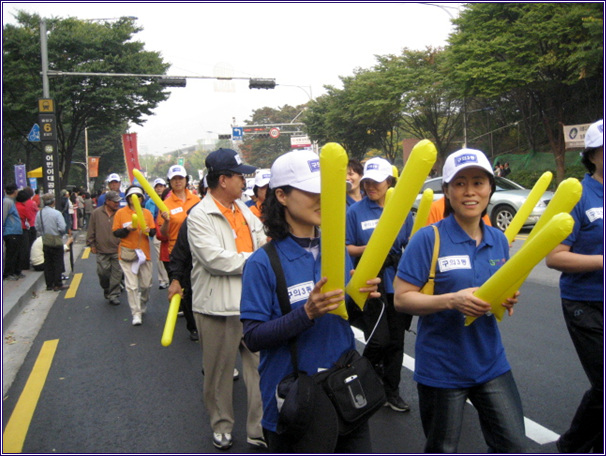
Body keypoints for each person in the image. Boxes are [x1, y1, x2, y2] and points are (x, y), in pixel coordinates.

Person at [240, 150, 382, 453]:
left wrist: (361, 300)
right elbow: (252, 337)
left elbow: (345, 319)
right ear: (281, 195)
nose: (322, 198)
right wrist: (306, 313)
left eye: (325, 190)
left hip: (345, 391)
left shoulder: (336, 251)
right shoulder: (262, 263)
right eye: (310, 190)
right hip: (295, 402)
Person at [393, 148, 526, 453]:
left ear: (490, 188)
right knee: (443, 448)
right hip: (443, 368)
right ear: (447, 191)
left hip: (491, 362)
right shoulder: (428, 238)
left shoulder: (498, 241)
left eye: (478, 182)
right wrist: (451, 301)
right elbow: (402, 299)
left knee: (514, 445)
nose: (470, 192)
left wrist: (505, 299)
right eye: (460, 183)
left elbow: (494, 290)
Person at [186, 148, 265, 450]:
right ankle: (221, 424)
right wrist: (256, 260)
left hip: (252, 303)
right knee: (218, 375)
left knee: (260, 368)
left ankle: (258, 428)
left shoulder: (244, 210)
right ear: (223, 179)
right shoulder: (200, 215)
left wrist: (258, 256)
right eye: (239, 175)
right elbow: (214, 260)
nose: (245, 181)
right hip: (217, 308)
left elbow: (262, 240)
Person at [546, 119, 603, 453]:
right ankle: (572, 445)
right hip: (585, 303)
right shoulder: (578, 195)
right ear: (592, 154)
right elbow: (554, 257)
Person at [346, 156, 414, 413]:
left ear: (389, 181)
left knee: (396, 342)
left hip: (397, 285)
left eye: (376, 182)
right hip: (369, 287)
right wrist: (372, 249)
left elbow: (411, 243)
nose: (370, 187)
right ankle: (360, 380)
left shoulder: (401, 210)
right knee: (378, 342)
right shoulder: (355, 211)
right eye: (367, 182)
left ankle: (391, 392)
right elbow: (347, 247)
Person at [156, 165, 200, 340]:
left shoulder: (197, 200)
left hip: (197, 250)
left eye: (181, 178)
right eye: (174, 179)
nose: (178, 181)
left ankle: (204, 319)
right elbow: (162, 234)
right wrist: (166, 221)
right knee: (185, 290)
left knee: (198, 288)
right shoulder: (165, 205)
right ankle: (193, 326)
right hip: (177, 253)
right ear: (170, 182)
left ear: (186, 180)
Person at [112, 185, 156, 326]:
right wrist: (127, 229)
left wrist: (149, 230)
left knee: (146, 285)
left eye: (138, 196)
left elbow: (154, 232)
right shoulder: (120, 213)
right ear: (128, 198)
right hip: (127, 253)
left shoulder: (147, 213)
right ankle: (135, 313)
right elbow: (116, 232)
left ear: (143, 198)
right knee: (131, 286)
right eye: (132, 196)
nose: (135, 199)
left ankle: (142, 304)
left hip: (144, 254)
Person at [87, 190, 124, 306]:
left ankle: (113, 294)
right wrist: (91, 244)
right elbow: (91, 230)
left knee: (116, 274)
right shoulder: (96, 213)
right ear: (107, 201)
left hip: (117, 249)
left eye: (118, 202)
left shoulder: (120, 213)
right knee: (103, 273)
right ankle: (107, 288)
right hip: (102, 249)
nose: (117, 204)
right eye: (114, 202)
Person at [35, 193, 69, 291]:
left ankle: (49, 284)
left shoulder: (39, 213)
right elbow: (62, 227)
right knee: (57, 262)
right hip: (56, 240)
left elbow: (37, 227)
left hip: (45, 240)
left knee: (48, 263)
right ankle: (58, 283)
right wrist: (60, 233)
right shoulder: (57, 213)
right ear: (53, 202)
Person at [144, 178, 169, 289]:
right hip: (156, 231)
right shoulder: (149, 202)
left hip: (170, 231)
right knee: (160, 256)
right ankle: (163, 279)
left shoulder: (169, 199)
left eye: (161, 186)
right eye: (157, 186)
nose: (159, 188)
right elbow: (147, 216)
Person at [3, 183, 24, 281]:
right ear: (14, 191)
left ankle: (16, 271)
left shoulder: (11, 201)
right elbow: (3, 216)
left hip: (15, 231)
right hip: (10, 231)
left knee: (16, 252)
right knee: (11, 253)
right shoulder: (7, 202)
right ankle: (8, 273)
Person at [426, 196, 491, 226]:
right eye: (460, 184)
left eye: (477, 183)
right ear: (446, 190)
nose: (470, 192)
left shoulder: (497, 237)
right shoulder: (435, 208)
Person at [15, 190, 35, 271]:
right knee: (25, 247)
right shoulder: (23, 207)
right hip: (24, 228)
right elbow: (29, 217)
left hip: (17, 229)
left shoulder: (15, 205)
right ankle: (24, 265)